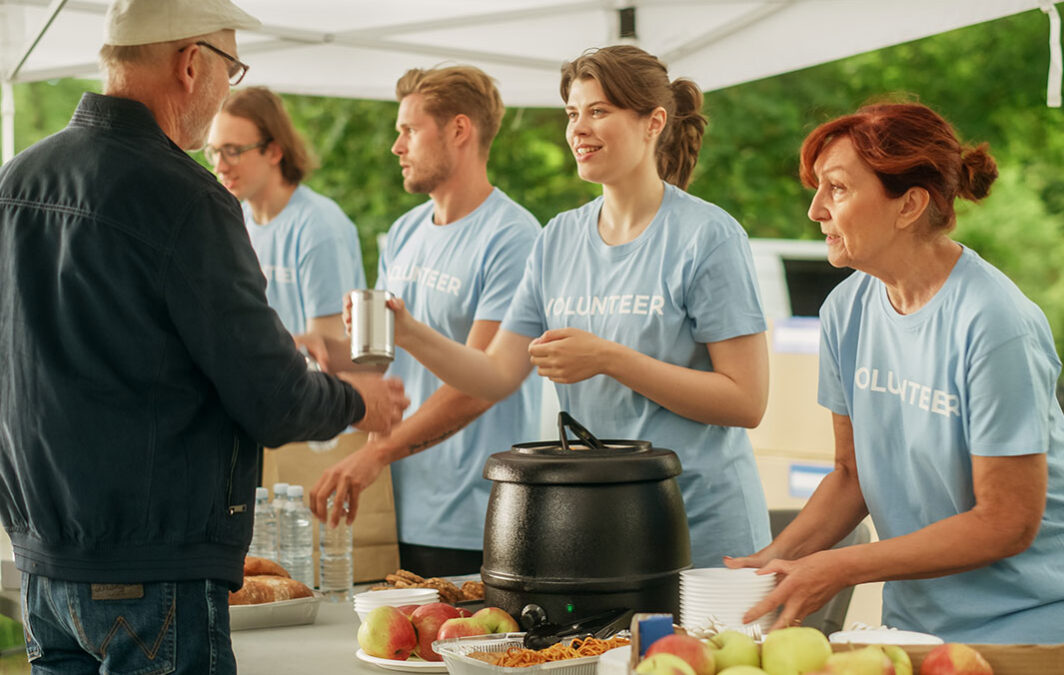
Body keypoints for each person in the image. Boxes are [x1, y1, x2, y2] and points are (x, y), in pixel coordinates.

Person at [0, 0, 408, 672]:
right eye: (229, 69)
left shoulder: (8, 186)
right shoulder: (188, 198)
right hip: (151, 570)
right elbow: (270, 397)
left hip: (42, 566)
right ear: (190, 65)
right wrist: (358, 400)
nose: (224, 91)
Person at [376, 45, 773, 569]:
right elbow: (494, 376)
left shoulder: (708, 236)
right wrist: (406, 331)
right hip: (599, 525)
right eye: (572, 113)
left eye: (599, 111)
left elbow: (746, 401)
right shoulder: (558, 237)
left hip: (701, 527)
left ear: (654, 122)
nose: (578, 129)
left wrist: (611, 359)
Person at [726, 101, 1064, 643]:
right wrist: (768, 563)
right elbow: (851, 475)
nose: (815, 210)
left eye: (836, 188)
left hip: (1028, 627)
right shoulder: (846, 310)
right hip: (913, 628)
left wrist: (844, 565)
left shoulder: (996, 323)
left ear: (908, 205)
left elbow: (1008, 521)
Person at [308, 66, 542, 577]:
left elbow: (480, 384)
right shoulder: (406, 229)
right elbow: (386, 361)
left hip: (475, 515)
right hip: (395, 505)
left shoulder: (513, 237)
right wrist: (316, 352)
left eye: (409, 130)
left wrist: (377, 455)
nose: (396, 146)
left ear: (459, 131)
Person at [207, 87, 365, 341]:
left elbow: (328, 348)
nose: (219, 166)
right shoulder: (238, 222)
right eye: (214, 151)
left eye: (233, 151)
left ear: (274, 151)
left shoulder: (319, 228)